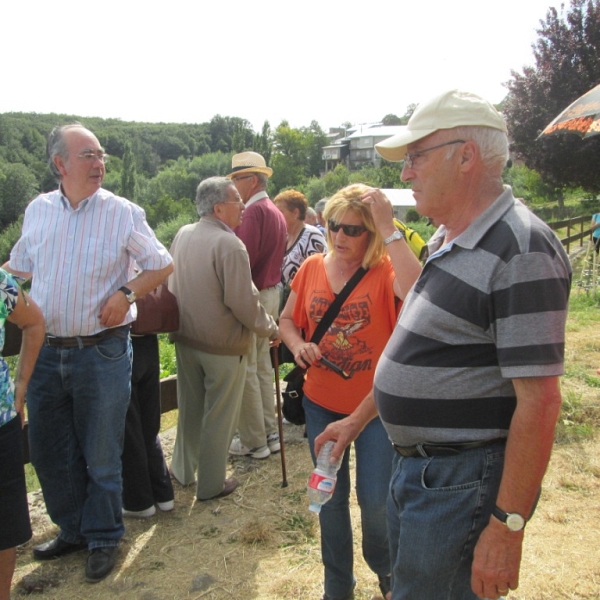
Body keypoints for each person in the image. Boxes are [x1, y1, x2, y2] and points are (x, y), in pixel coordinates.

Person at [315, 90, 572, 600]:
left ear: (466, 157)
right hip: (425, 472)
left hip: (460, 481)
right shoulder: (446, 241)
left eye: (416, 158)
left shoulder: (520, 248)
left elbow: (540, 403)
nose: (406, 174)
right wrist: (356, 420)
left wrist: (506, 528)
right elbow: (417, 356)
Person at [5, 123, 173, 583]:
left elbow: (161, 264)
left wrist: (127, 293)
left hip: (102, 353)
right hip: (45, 353)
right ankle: (73, 530)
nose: (99, 163)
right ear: (60, 164)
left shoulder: (122, 212)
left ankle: (103, 537)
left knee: (101, 452)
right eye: (88, 156)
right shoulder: (38, 210)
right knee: (49, 450)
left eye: (101, 155)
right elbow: (15, 269)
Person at [279, 184, 421, 600]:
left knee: (376, 502)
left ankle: (387, 572)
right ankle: (337, 586)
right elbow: (287, 320)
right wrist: (297, 345)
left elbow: (417, 293)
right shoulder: (310, 269)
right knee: (328, 501)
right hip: (321, 404)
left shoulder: (386, 272)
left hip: (374, 410)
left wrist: (388, 226)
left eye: (354, 230)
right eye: (334, 226)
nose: (340, 237)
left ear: (372, 233)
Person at [169, 177, 279, 500]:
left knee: (189, 410)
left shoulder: (183, 234)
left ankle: (183, 471)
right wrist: (271, 329)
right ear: (219, 208)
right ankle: (212, 484)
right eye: (236, 201)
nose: (243, 206)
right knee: (219, 417)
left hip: (186, 340)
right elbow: (243, 303)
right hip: (223, 347)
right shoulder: (230, 245)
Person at [227, 152, 287, 460]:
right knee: (263, 365)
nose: (233, 186)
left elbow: (242, 261)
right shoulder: (273, 209)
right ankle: (270, 431)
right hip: (271, 292)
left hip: (255, 294)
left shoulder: (252, 212)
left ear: (251, 179)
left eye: (236, 179)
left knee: (247, 367)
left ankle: (254, 441)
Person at [0, 271, 45, 600]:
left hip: (0, 425)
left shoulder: (1, 283)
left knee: (4, 530)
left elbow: (34, 323)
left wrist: (20, 387)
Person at [121, 331, 175, 518]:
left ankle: (139, 502)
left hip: (120, 344)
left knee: (130, 429)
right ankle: (163, 493)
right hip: (148, 339)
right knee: (149, 426)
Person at [273, 189, 326, 292]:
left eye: (280, 212)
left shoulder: (312, 236)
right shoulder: (285, 237)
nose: (276, 216)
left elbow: (320, 274)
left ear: (295, 213)